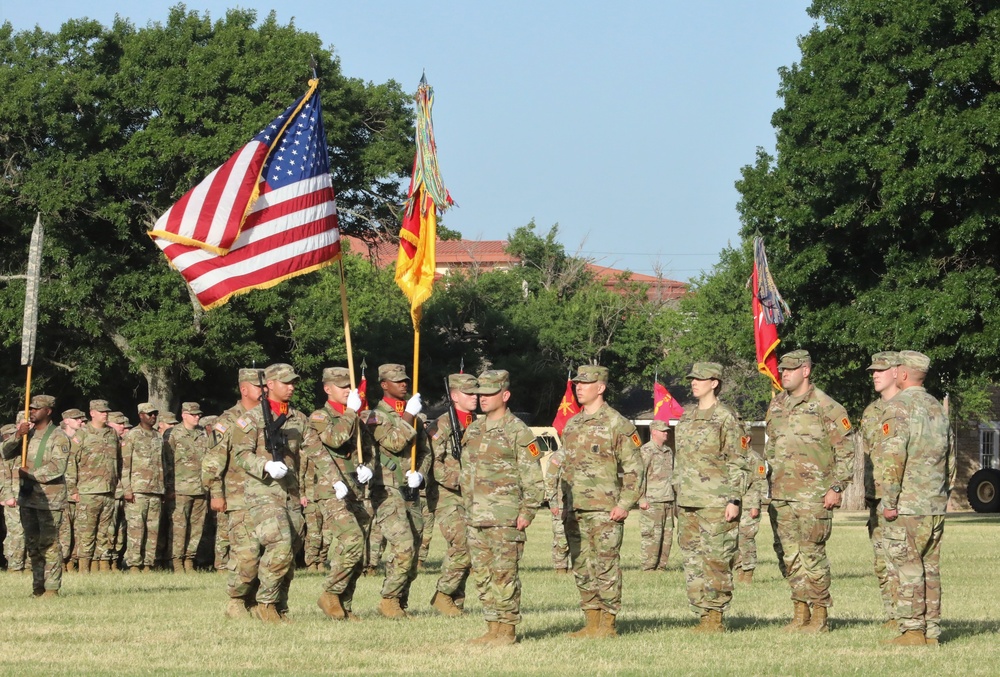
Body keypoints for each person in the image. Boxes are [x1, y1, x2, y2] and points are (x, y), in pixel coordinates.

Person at [766, 349, 855, 633]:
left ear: (806, 370)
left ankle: (819, 615)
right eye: (783, 369)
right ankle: (799, 611)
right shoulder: (777, 405)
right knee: (789, 556)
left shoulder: (827, 406)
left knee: (812, 555)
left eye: (791, 369)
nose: (785, 373)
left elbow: (846, 450)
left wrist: (836, 487)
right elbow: (770, 447)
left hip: (814, 495)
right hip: (781, 495)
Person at [554, 365, 644, 639]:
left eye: (585, 383)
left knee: (606, 566)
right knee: (581, 566)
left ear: (601, 387)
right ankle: (591, 621)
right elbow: (564, 468)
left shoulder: (618, 424)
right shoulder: (572, 424)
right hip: (574, 508)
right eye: (577, 384)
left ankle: (607, 624)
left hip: (605, 510)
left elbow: (635, 468)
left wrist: (625, 504)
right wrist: (560, 501)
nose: (578, 387)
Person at [876, 350, 953, 646]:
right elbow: (951, 460)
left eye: (895, 368)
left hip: (907, 504)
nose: (892, 372)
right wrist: (940, 495)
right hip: (933, 503)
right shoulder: (937, 408)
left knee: (906, 566)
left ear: (903, 374)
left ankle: (911, 631)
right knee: (930, 568)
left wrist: (890, 501)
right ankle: (931, 630)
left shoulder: (899, 407)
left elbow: (893, 458)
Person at [461, 370, 544, 646]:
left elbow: (532, 476)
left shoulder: (517, 431)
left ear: (505, 395)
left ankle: (507, 630)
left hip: (505, 519)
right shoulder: (473, 429)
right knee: (482, 576)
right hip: (475, 517)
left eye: (488, 393)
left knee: (504, 575)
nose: (482, 398)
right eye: (479, 393)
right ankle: (491, 626)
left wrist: (527, 511)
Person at [231, 363, 313, 622]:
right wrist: (264, 465)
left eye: (293, 383)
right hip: (262, 491)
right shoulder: (251, 419)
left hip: (289, 492)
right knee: (279, 545)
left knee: (291, 551)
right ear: (269, 386)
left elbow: (313, 453)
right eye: (286, 382)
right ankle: (261, 603)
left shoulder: (299, 419)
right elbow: (240, 455)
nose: (291, 387)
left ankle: (279, 605)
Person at [674, 362, 749, 632]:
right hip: (688, 501)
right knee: (692, 560)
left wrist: (734, 499)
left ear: (714, 382)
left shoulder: (727, 417)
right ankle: (701, 613)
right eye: (693, 378)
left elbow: (737, 461)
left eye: (701, 379)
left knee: (716, 559)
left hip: (717, 502)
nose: (694, 382)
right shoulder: (686, 417)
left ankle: (715, 617)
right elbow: (681, 460)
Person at [307, 366, 370, 620]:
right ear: (327, 388)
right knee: (351, 539)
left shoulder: (353, 416)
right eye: (342, 386)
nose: (347, 390)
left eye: (349, 386)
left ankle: (345, 603)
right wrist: (352, 412)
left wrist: (368, 468)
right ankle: (330, 593)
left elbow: (364, 449)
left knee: (360, 547)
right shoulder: (320, 416)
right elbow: (335, 439)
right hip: (331, 489)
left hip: (354, 487)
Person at [201, 368, 264, 617]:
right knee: (245, 553)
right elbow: (213, 461)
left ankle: (258, 600)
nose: (264, 391)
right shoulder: (227, 421)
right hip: (238, 497)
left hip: (266, 497)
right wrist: (216, 493)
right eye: (260, 387)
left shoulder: (266, 417)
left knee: (265, 553)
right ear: (244, 389)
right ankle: (236, 601)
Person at [368, 363, 424, 618]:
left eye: (405, 380)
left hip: (410, 490)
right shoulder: (374, 416)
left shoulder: (416, 417)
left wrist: (420, 474)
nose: (403, 384)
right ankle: (388, 599)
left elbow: (424, 452)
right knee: (403, 546)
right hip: (387, 489)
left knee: (415, 550)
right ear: (384, 385)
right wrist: (409, 416)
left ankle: (401, 600)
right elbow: (394, 441)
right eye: (397, 380)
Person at [1, 395, 72, 597]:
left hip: (49, 500)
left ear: (48, 411)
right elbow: (5, 453)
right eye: (30, 408)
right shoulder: (27, 434)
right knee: (32, 545)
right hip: (28, 497)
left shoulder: (58, 437)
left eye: (36, 409)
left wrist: (31, 474)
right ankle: (37, 586)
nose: (31, 412)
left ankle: (52, 588)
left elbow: (57, 468)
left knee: (49, 544)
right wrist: (17, 436)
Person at [425, 373, 477, 616]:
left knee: (472, 547)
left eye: (476, 392)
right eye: (469, 393)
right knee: (462, 544)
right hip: (447, 494)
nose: (475, 397)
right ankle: (443, 594)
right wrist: (459, 480)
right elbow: (433, 462)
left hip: (473, 496)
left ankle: (456, 601)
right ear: (455, 396)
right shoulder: (442, 425)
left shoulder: (477, 424)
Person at [860, 352, 901, 627]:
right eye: (873, 370)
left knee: (902, 559)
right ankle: (891, 614)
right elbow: (866, 453)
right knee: (881, 560)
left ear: (897, 372)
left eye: (881, 370)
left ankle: (906, 616)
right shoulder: (871, 412)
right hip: (876, 498)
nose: (875, 375)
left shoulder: (908, 407)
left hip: (902, 498)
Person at [67, 399, 120, 573]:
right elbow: (70, 462)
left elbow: (118, 461)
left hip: (108, 490)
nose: (105, 414)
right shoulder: (82, 433)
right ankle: (84, 567)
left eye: (106, 411)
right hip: (88, 490)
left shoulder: (112, 433)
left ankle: (102, 566)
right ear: (92, 413)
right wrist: (73, 489)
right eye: (101, 411)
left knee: (105, 532)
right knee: (86, 532)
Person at [121, 403, 166, 572]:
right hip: (137, 489)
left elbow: (163, 464)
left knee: (153, 530)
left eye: (155, 414)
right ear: (141, 415)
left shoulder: (158, 436)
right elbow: (125, 464)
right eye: (149, 414)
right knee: (136, 528)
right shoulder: (132, 436)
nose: (153, 417)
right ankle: (134, 563)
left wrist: (163, 488)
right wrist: (127, 489)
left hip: (156, 489)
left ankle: (148, 563)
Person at [166, 402, 208, 573]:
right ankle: (176, 561)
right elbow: (167, 462)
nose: (197, 417)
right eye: (193, 414)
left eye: (198, 414)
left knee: (197, 527)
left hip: (200, 488)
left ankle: (190, 559)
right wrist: (169, 487)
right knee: (179, 527)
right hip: (180, 488)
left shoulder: (203, 434)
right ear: (184, 415)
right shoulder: (174, 434)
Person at [638, 420, 675, 572]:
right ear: (654, 432)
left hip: (668, 499)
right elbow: (640, 476)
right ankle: (648, 567)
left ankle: (661, 567)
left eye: (666, 430)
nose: (666, 433)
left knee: (667, 536)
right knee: (652, 535)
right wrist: (641, 498)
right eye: (662, 431)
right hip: (652, 500)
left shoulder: (668, 451)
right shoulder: (646, 450)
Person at [734, 440, 767, 584]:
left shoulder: (755, 458)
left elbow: (760, 483)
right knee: (734, 539)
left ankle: (748, 572)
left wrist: (755, 505)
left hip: (749, 505)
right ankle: (739, 569)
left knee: (746, 538)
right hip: (735, 504)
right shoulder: (735, 457)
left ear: (747, 439)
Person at [59, 408, 87, 572]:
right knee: (63, 531)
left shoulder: (79, 440)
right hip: (63, 493)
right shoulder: (59, 438)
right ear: (67, 421)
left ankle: (72, 562)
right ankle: (62, 562)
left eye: (82, 420)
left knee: (78, 530)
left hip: (78, 492)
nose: (81, 422)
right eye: (77, 419)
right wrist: (72, 490)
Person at [1, 422, 26, 574]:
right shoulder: (7, 455)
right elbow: (4, 477)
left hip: (27, 496)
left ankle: (28, 566)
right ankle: (14, 567)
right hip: (13, 498)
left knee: (29, 532)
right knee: (16, 533)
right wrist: (7, 495)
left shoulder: (25, 452)